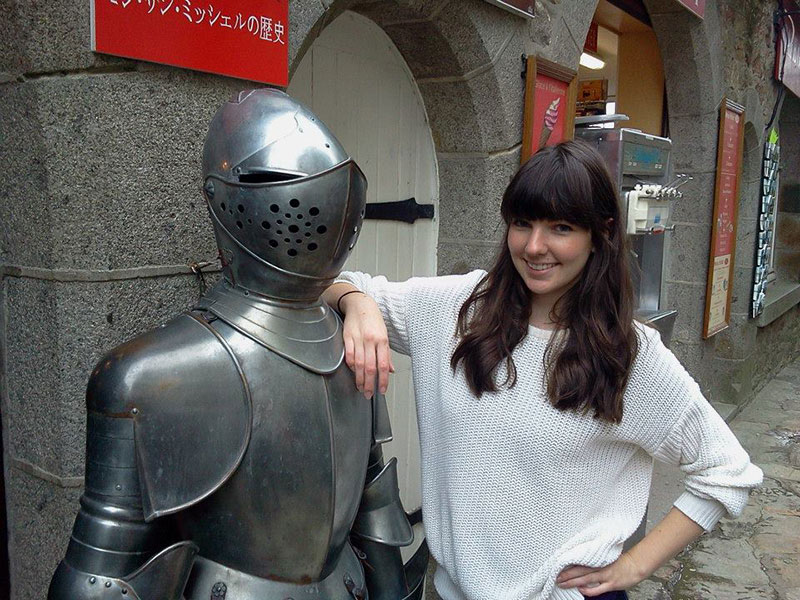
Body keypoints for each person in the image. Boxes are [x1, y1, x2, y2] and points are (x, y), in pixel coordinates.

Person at [322, 140, 762, 600]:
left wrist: (634, 565)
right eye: (522, 223)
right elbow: (318, 282)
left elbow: (727, 471)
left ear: (601, 233)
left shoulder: (629, 355)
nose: (535, 247)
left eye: (561, 227)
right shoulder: (454, 309)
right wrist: (357, 303)